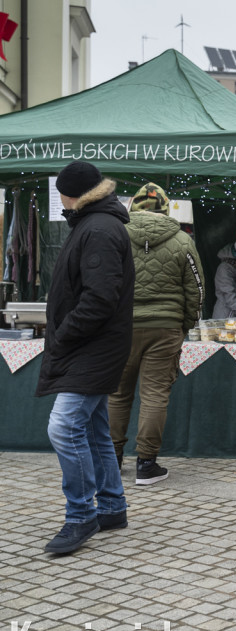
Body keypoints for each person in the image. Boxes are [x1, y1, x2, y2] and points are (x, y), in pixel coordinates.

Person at [36, 161, 134, 554]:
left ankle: (81, 515)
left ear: (69, 194)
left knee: (63, 427)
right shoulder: (95, 223)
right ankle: (111, 506)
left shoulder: (99, 228)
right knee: (93, 429)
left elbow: (99, 299)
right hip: (94, 345)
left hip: (93, 346)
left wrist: (63, 333)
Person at [108, 182, 205, 485]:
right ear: (165, 208)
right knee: (154, 396)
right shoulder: (182, 240)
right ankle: (146, 465)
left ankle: (112, 461)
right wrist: (184, 324)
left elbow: (103, 282)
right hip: (165, 328)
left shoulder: (115, 236)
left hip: (121, 328)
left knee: (117, 395)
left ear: (133, 206)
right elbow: (197, 290)